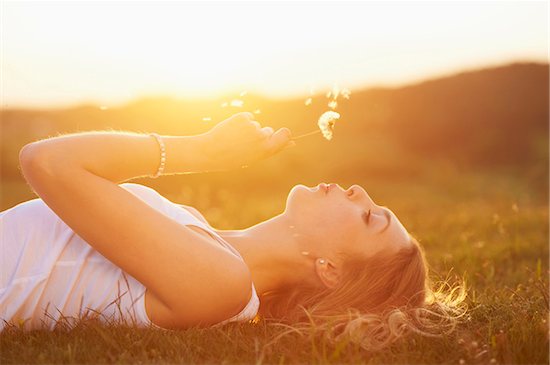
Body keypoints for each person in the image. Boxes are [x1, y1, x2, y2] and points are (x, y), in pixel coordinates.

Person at [1, 112, 466, 350]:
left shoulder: (222, 284)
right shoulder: (211, 247)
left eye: (370, 217)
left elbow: (47, 162)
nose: (362, 191)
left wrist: (203, 152)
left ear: (329, 270)